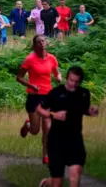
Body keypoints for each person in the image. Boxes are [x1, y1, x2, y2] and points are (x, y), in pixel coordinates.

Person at [36, 66, 99, 187]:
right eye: (71, 80)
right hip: (56, 141)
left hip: (75, 140)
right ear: (66, 78)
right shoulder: (56, 93)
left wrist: (91, 111)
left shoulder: (84, 93)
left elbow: (84, 109)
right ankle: (46, 183)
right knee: (57, 183)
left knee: (75, 175)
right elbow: (39, 109)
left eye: (77, 82)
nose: (73, 84)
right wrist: (53, 115)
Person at [17, 35, 62, 164]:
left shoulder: (52, 58)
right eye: (38, 42)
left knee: (48, 128)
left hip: (48, 97)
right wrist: (31, 85)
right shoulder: (30, 59)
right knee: (35, 131)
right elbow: (19, 77)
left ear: (45, 43)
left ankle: (46, 155)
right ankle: (28, 125)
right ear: (34, 46)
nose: (41, 43)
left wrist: (58, 77)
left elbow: (56, 72)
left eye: (43, 41)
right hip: (34, 97)